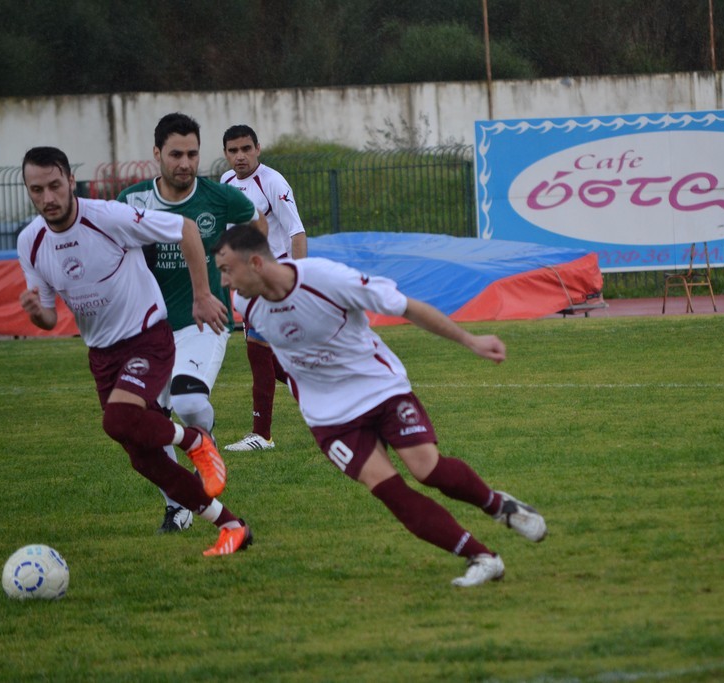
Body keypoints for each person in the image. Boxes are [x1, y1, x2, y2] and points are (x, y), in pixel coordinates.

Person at [212, 224, 546, 587]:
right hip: (329, 416)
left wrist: (470, 340)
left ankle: (500, 507)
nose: (225, 281)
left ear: (256, 263)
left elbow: (407, 307)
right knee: (390, 491)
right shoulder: (246, 302)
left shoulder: (326, 279)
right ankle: (482, 557)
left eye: (227, 270)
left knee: (428, 470)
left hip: (379, 388)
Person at [16, 146, 252, 557]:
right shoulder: (30, 241)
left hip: (147, 338)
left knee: (118, 420)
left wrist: (201, 295)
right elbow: (50, 319)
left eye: (55, 186)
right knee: (144, 458)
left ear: (71, 181)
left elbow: (186, 229)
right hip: (102, 355)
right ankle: (231, 526)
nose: (48, 198)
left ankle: (194, 439)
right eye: (37, 190)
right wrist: (38, 313)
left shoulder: (109, 216)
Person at [118, 113, 267, 533]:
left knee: (186, 403)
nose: (185, 163)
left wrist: (246, 268)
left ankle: (205, 442)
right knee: (148, 426)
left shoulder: (218, 197)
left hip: (203, 322)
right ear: (157, 154)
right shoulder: (132, 200)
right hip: (147, 331)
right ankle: (177, 506)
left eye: (192, 154)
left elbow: (256, 222)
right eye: (176, 154)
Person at [219, 124, 307, 453]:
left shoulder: (272, 182)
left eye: (246, 148)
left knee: (257, 352)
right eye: (233, 150)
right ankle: (329, 396)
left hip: (271, 277)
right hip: (246, 281)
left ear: (258, 148)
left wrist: (298, 281)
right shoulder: (226, 182)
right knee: (270, 357)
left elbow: (297, 232)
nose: (240, 156)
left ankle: (262, 435)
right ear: (225, 154)